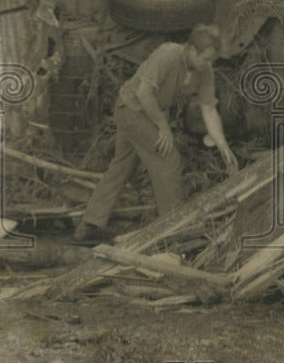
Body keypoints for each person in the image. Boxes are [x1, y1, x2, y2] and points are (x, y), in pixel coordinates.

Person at [73, 23, 238, 245]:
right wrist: (164, 127)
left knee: (121, 167)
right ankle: (174, 228)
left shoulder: (204, 71)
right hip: (131, 108)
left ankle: (89, 225)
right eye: (205, 59)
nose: (208, 65)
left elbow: (209, 109)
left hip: (148, 113)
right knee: (169, 159)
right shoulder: (167, 54)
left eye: (212, 60)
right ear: (191, 49)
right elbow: (144, 93)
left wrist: (223, 146)